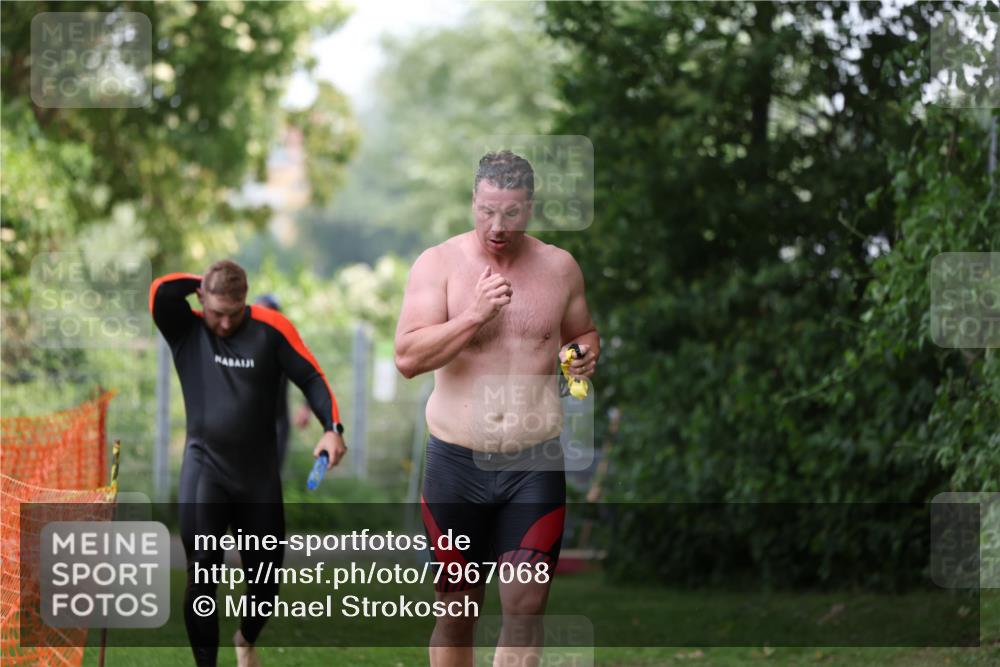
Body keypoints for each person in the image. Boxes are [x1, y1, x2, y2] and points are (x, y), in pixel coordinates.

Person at [394, 151, 599, 666]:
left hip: (533, 464)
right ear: (473, 201)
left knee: (526, 611)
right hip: (456, 465)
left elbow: (582, 335)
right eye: (486, 210)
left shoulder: (559, 267)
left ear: (530, 207)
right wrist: (474, 314)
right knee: (457, 612)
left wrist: (585, 352)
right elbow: (408, 358)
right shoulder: (438, 265)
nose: (497, 225)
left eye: (510, 212)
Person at [149, 260, 347, 667]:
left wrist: (333, 428)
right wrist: (200, 282)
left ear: (246, 303)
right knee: (202, 573)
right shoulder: (187, 328)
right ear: (202, 299)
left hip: (257, 476)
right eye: (216, 313)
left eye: (233, 313)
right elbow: (161, 291)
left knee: (265, 580)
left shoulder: (271, 329)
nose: (223, 324)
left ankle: (246, 637)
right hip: (205, 469)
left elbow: (311, 377)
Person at [252, 294, 313, 471]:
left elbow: (309, 375)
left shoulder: (284, 344)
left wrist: (306, 407)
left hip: (277, 423)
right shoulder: (241, 341)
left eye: (270, 313)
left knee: (270, 477)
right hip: (246, 422)